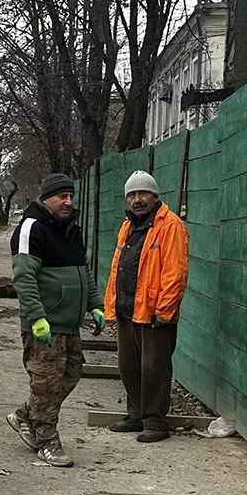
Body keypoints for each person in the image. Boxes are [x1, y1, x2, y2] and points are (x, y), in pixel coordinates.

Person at [7, 173, 104, 467]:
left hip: (69, 323)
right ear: (46, 198)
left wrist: (95, 305)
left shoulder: (72, 229)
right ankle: (47, 439)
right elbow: (24, 278)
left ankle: (25, 415)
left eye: (70, 196)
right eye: (62, 196)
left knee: (70, 374)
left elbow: (84, 272)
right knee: (47, 382)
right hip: (45, 325)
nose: (68, 202)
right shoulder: (31, 228)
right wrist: (37, 318)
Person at [103, 171, 189, 442]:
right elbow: (118, 267)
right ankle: (136, 415)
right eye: (132, 195)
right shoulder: (128, 225)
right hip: (127, 310)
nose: (137, 200)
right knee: (129, 367)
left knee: (154, 370)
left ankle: (155, 422)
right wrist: (112, 304)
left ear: (154, 196)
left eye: (143, 194)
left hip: (154, 314)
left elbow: (175, 272)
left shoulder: (170, 225)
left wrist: (165, 310)